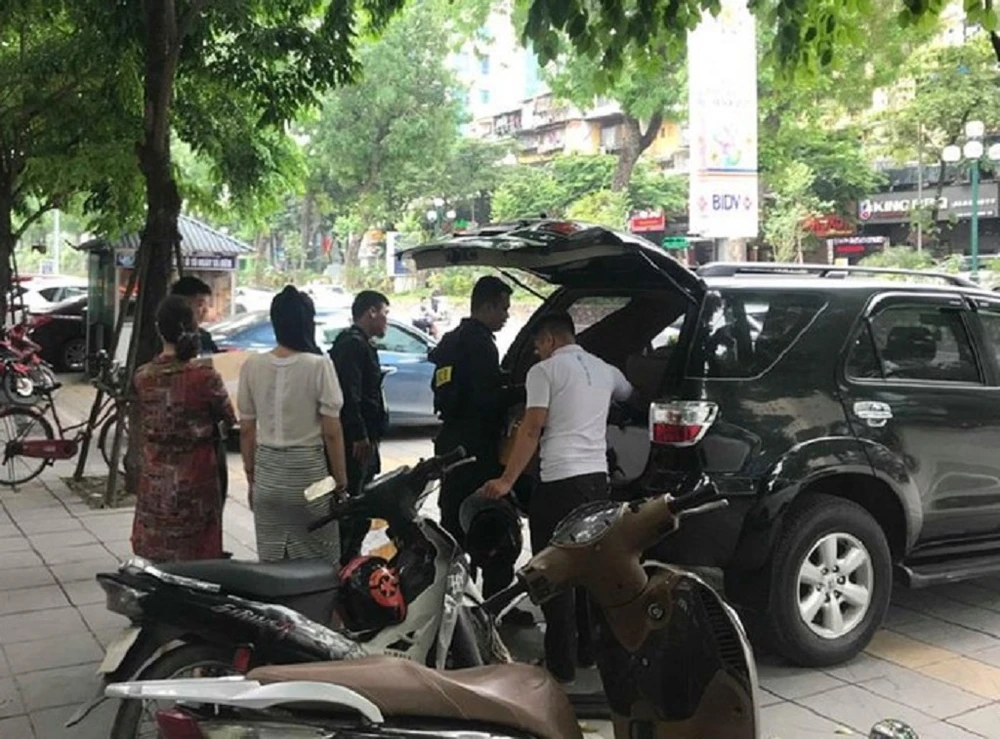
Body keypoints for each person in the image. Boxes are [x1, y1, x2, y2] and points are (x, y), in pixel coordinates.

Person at [479, 311, 634, 684]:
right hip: (597, 484)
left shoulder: (544, 372)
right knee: (589, 571)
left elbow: (532, 429)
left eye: (537, 345)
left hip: (558, 483)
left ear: (548, 339)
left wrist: (506, 479)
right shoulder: (605, 371)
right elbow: (630, 394)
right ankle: (587, 653)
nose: (537, 353)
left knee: (552, 574)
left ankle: (559, 666)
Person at [237, 286, 349, 561]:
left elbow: (247, 430)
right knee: (320, 564)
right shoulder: (319, 365)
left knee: (273, 565)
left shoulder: (252, 365)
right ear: (307, 322)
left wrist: (252, 479)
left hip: (267, 481)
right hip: (312, 482)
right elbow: (332, 433)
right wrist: (341, 483)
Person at [430, 276, 524, 600]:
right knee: (493, 527)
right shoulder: (481, 344)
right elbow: (485, 399)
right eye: (503, 308)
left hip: (451, 446)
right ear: (487, 307)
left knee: (453, 527)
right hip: (478, 449)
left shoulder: (451, 341)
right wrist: (521, 391)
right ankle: (493, 606)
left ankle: (454, 600)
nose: (507, 315)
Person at [131, 295, 237, 562]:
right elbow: (228, 416)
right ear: (193, 327)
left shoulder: (143, 376)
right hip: (197, 478)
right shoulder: (205, 377)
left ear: (159, 329)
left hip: (155, 477)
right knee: (197, 556)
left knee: (159, 550)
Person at [329, 290, 389, 565]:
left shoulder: (361, 344)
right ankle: (343, 561)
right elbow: (349, 395)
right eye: (384, 313)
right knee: (356, 504)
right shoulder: (352, 345)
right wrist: (359, 435)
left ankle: (349, 557)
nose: (386, 321)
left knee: (364, 502)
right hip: (356, 441)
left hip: (366, 437)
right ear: (371, 312)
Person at [170, 276, 219, 354]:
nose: (205, 310)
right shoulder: (163, 338)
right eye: (200, 305)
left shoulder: (204, 336)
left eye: (207, 305)